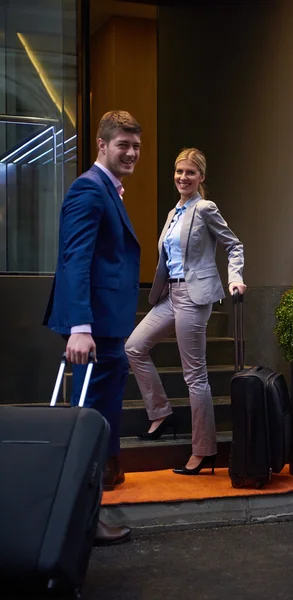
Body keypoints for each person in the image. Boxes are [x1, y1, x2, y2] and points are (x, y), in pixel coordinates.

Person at [43, 110, 142, 545]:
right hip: (95, 332)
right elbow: (75, 260)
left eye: (136, 145)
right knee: (91, 423)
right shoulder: (88, 189)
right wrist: (79, 326)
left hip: (108, 329)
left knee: (102, 422)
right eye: (123, 144)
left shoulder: (109, 191)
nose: (131, 152)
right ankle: (83, 521)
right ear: (101, 145)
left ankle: (87, 513)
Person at [125, 148, 246, 475]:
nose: (183, 177)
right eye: (179, 171)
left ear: (201, 177)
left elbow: (234, 245)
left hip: (194, 296)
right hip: (170, 294)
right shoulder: (174, 212)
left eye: (190, 172)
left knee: (195, 375)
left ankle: (204, 450)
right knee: (134, 347)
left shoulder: (205, 208)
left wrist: (235, 279)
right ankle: (161, 412)